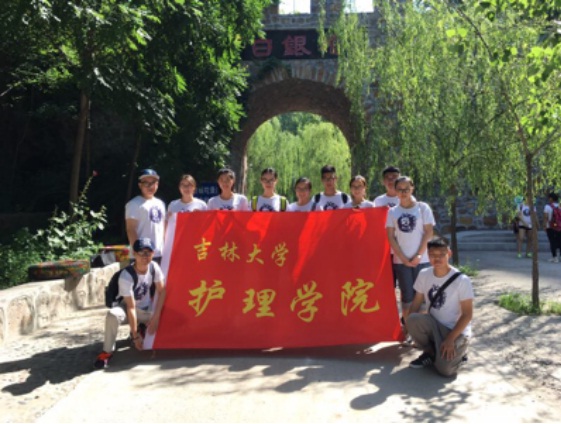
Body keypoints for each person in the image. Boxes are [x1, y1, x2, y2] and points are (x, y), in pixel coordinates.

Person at [94, 238, 166, 369]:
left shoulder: (154, 267)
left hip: (146, 310)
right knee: (112, 315)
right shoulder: (126, 275)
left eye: (148, 253)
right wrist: (135, 336)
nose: (145, 256)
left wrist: (156, 318)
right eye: (141, 253)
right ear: (134, 254)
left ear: (153, 254)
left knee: (168, 317)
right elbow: (131, 307)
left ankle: (142, 328)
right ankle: (107, 352)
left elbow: (162, 291)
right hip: (128, 309)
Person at [406, 236, 474, 377]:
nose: (437, 259)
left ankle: (460, 353)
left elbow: (467, 314)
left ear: (449, 254)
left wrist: (450, 339)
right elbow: (416, 302)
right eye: (432, 255)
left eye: (441, 255)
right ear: (428, 255)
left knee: (446, 371)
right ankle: (430, 353)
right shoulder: (424, 274)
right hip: (435, 325)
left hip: (456, 330)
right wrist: (409, 327)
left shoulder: (462, 280)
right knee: (412, 318)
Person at [386, 176, 435, 328]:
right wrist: (403, 258)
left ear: (412, 189)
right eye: (400, 189)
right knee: (407, 297)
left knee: (424, 297)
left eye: (406, 189)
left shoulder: (422, 208)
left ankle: (424, 331)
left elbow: (429, 232)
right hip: (401, 261)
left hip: (423, 260)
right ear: (395, 191)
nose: (403, 193)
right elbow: (390, 236)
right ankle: (409, 330)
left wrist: (419, 254)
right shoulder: (393, 212)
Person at [125, 169, 166, 263]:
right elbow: (131, 229)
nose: (150, 186)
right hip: (141, 255)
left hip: (159, 253)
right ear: (140, 185)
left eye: (153, 183)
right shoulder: (134, 204)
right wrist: (139, 252)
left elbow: (164, 228)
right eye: (146, 183)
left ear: (157, 184)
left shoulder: (161, 204)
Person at [543, 192, 561, 262]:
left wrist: (544, 226)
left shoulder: (547, 207)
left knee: (552, 241)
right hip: (559, 226)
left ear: (551, 199)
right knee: (560, 241)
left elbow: (545, 217)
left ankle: (554, 257)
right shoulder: (559, 206)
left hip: (550, 227)